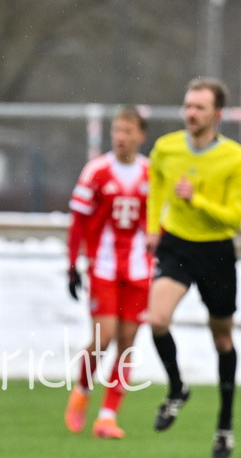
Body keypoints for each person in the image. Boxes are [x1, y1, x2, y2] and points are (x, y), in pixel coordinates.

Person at [146, 77, 241, 458]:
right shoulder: (167, 147)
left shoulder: (236, 158)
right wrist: (153, 228)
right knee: (157, 319)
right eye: (188, 105)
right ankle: (177, 388)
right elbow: (156, 182)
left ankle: (224, 425)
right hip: (177, 245)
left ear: (217, 114)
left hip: (217, 251)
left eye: (199, 107)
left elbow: (235, 218)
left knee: (222, 339)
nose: (191, 113)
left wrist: (197, 200)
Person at [64, 106, 150, 439]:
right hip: (103, 267)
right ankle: (82, 391)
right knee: (105, 337)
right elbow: (78, 222)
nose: (120, 136)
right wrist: (73, 265)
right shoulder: (96, 171)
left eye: (128, 131)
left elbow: (159, 223)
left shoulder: (151, 173)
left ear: (140, 136)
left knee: (127, 342)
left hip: (140, 271)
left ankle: (108, 415)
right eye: (117, 129)